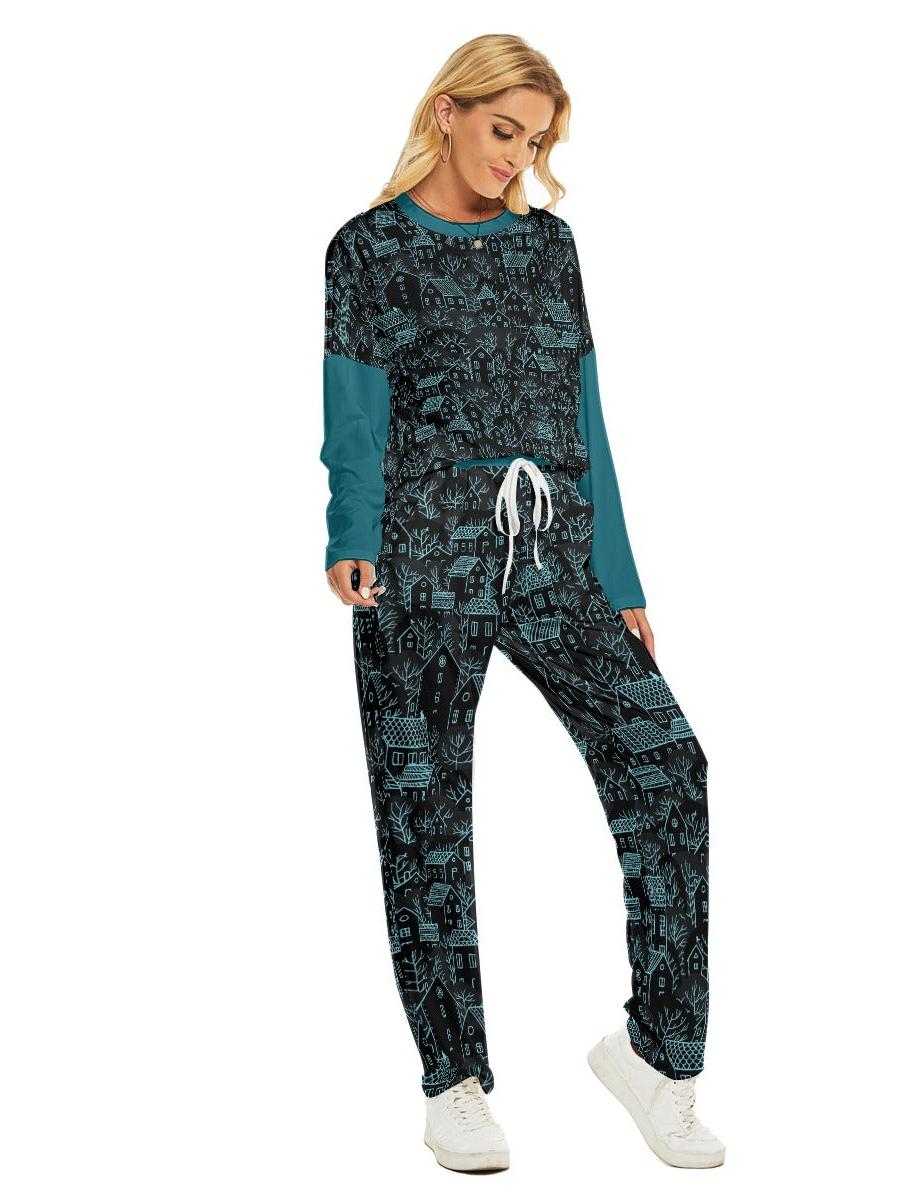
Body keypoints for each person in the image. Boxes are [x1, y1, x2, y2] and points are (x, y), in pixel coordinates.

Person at [319, 33, 725, 1172]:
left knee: (669, 765)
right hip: (419, 559)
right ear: (447, 112)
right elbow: (353, 408)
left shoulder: (550, 247)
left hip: (555, 556)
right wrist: (351, 536)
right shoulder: (368, 249)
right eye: (504, 131)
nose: (517, 157)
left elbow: (585, 412)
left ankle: (657, 1054)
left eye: (536, 141)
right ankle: (453, 1081)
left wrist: (621, 578)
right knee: (426, 819)